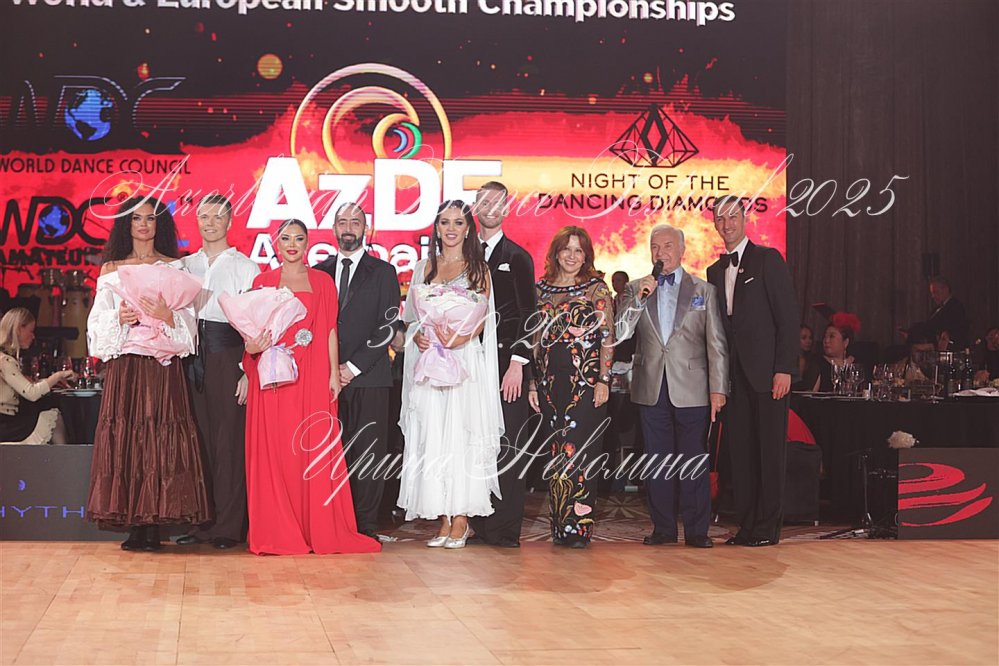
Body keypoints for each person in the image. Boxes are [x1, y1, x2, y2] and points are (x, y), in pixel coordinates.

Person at [242, 219, 380, 556]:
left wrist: (333, 374)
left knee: (310, 446)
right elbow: (251, 331)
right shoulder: (262, 281)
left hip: (313, 374)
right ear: (276, 243)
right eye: (285, 239)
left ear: (307, 244)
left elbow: (330, 330)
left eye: (299, 239)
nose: (292, 245)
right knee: (276, 450)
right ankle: (279, 529)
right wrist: (252, 349)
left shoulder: (322, 281)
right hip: (273, 376)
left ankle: (315, 527)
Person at [85, 196, 211, 552]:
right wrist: (118, 318)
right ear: (126, 224)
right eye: (136, 218)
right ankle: (134, 523)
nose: (143, 224)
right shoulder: (111, 268)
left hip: (161, 367)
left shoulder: (175, 266)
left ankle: (154, 524)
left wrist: (168, 316)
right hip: (126, 365)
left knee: (160, 438)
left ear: (160, 224)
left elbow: (188, 323)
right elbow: (96, 321)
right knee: (127, 439)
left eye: (150, 218)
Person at [616, 224, 728, 548]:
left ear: (681, 250)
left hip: (693, 386)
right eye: (655, 247)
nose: (660, 252)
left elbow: (716, 343)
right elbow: (621, 332)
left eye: (667, 246)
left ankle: (697, 530)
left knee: (693, 459)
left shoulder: (704, 290)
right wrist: (638, 300)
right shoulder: (636, 288)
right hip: (651, 385)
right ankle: (663, 528)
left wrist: (718, 388)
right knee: (658, 460)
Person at [400, 201, 502, 549]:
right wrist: (418, 335)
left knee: (461, 434)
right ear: (437, 227)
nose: (451, 229)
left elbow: (483, 319)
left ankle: (461, 517)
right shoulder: (424, 267)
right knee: (434, 435)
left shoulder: (479, 269)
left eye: (458, 222)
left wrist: (460, 337)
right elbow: (412, 319)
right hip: (431, 361)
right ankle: (442, 515)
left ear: (468, 228)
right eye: (445, 222)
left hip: (463, 361)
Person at [706, 195, 798, 547]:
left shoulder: (767, 259)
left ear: (745, 219)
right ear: (714, 224)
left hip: (768, 374)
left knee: (770, 452)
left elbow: (787, 318)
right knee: (741, 454)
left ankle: (767, 528)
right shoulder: (714, 271)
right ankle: (746, 526)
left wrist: (784, 368)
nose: (727, 224)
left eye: (733, 216)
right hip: (734, 377)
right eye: (720, 218)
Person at [175, 194, 260, 550]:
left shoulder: (246, 267)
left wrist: (247, 371)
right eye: (203, 216)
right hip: (190, 358)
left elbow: (256, 324)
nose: (209, 223)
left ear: (229, 221)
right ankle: (201, 523)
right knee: (196, 443)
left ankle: (228, 526)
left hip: (229, 357)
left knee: (228, 445)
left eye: (217, 216)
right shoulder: (184, 266)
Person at [315, 203, 401, 540]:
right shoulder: (318, 272)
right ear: (333, 228)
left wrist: (351, 368)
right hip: (324, 379)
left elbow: (388, 325)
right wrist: (330, 369)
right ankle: (331, 522)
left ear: (367, 228)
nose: (348, 227)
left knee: (367, 453)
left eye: (355, 221)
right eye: (342, 221)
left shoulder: (383, 272)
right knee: (326, 453)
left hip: (370, 377)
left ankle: (364, 526)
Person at [528, 226, 614, 549]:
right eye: (567, 249)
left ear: (586, 255)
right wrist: (533, 383)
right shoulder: (541, 289)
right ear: (556, 252)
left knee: (580, 451)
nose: (572, 256)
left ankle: (578, 529)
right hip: (550, 383)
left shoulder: (595, 289)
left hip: (586, 382)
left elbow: (607, 337)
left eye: (579, 250)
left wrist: (604, 379)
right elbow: (534, 340)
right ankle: (560, 527)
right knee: (556, 453)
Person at [466, 181, 537, 549]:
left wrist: (517, 364)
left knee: (509, 444)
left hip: (507, 367)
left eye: (498, 203)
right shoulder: (463, 254)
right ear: (475, 208)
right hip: (468, 364)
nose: (491, 208)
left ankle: (505, 528)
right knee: (475, 442)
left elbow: (530, 315)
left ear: (507, 209)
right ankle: (478, 523)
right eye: (484, 202)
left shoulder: (518, 257)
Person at [0, 308, 74, 445]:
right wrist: (58, 376)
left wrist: (46, 381)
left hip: (7, 421)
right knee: (53, 415)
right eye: (31, 331)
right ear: (18, 329)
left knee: (43, 408)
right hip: (6, 425)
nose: (33, 336)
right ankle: (66, 456)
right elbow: (32, 393)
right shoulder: (5, 361)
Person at [813, 316, 860, 392]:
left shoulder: (855, 365)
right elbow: (808, 394)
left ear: (845, 342)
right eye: (825, 337)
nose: (826, 340)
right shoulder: (818, 363)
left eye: (832, 336)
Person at [927, 276, 970, 350]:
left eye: (936, 292)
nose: (933, 296)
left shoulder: (956, 307)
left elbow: (957, 331)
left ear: (946, 289)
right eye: (932, 293)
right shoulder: (936, 310)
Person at [793, 324, 821, 392]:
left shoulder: (814, 361)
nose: (808, 341)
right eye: (803, 338)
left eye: (810, 338)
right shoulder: (789, 361)